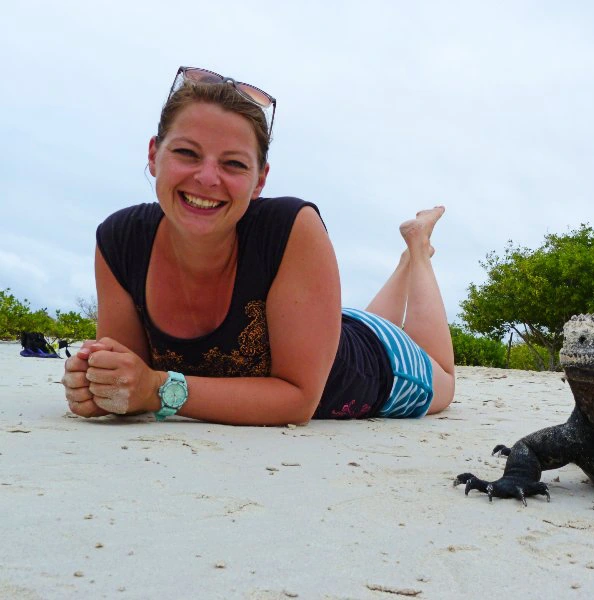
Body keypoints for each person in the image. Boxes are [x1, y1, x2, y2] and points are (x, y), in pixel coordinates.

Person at [61, 66, 455, 425]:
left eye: (233, 164)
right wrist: (101, 383)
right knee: (353, 323)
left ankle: (418, 252)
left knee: (446, 380)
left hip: (383, 361)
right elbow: (130, 377)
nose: (207, 177)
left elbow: (298, 399)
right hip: (325, 325)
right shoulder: (119, 240)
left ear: (260, 180)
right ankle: (406, 259)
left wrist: (157, 390)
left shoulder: (291, 227)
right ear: (154, 154)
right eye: (186, 153)